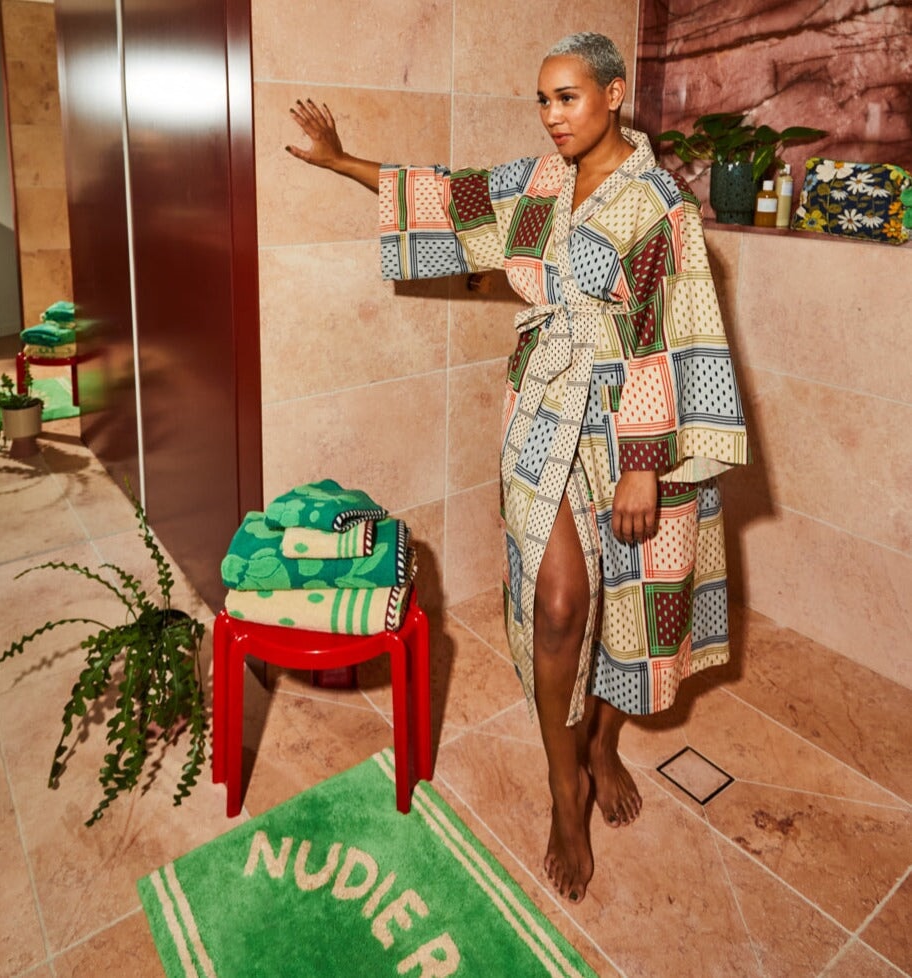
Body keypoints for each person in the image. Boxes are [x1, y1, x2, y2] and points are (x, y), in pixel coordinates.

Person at [286, 32, 749, 904]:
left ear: (614, 94)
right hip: (541, 409)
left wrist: (645, 466)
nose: (552, 116)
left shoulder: (662, 207)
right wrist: (341, 160)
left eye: (568, 97)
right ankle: (562, 789)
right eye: (543, 100)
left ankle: (602, 742)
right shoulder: (538, 184)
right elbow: (449, 197)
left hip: (628, 425)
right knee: (561, 600)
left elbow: (677, 331)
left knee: (628, 600)